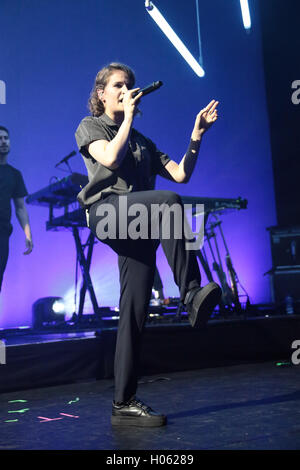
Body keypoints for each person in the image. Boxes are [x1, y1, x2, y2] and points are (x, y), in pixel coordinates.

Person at [75, 62, 222, 427]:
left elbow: (181, 173)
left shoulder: (144, 142)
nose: (126, 90)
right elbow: (109, 157)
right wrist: (126, 119)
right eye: (118, 85)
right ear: (102, 94)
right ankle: (190, 292)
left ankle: (123, 403)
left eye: (130, 85)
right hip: (106, 213)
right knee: (169, 202)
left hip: (137, 224)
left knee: (135, 311)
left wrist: (197, 136)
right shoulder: (91, 126)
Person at [0, 126, 33, 291]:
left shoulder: (14, 174)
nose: (3, 141)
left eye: (6, 138)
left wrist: (27, 234)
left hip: (2, 233)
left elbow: (20, 208)